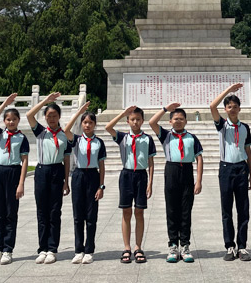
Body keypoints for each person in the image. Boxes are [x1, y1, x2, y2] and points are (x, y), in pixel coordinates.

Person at [148, 102, 203, 263]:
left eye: (181, 119)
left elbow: (199, 158)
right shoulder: (166, 135)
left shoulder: (192, 138)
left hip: (187, 172)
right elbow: (152, 122)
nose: (178, 121)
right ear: (170, 121)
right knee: (172, 210)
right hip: (171, 171)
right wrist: (166, 109)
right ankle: (173, 245)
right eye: (175, 119)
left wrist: (198, 181)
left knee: (186, 211)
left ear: (186, 121)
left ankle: (185, 245)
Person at [105, 105, 156, 264]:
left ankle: (138, 247)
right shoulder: (122, 137)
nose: (135, 122)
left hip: (141, 175)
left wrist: (150, 183)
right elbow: (108, 127)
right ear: (128, 121)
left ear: (142, 121)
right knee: (126, 212)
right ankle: (127, 247)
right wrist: (123, 113)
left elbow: (151, 162)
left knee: (139, 212)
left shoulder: (147, 139)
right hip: (126, 175)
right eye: (132, 119)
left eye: (138, 119)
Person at [209, 82, 251, 261]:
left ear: (239, 109)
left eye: (235, 107)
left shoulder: (245, 128)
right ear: (225, 109)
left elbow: (248, 151)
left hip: (241, 168)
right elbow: (212, 106)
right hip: (226, 169)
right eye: (229, 107)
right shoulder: (222, 125)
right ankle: (230, 246)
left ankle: (242, 246)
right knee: (226, 209)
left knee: (243, 209)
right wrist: (228, 90)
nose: (232, 109)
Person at [26, 92, 71, 264]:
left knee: (54, 211)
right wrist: (45, 101)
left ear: (59, 117)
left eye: (54, 115)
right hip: (42, 171)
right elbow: (29, 115)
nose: (52, 119)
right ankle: (42, 248)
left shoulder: (64, 135)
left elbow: (67, 159)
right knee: (42, 211)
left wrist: (66, 181)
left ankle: (52, 248)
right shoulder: (41, 132)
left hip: (57, 171)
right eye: (49, 116)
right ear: (45, 117)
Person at [0, 93, 29, 266]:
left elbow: (24, 161)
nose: (11, 122)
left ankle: (8, 249)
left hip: (13, 172)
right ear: (4, 121)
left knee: (11, 213)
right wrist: (5, 103)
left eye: (14, 119)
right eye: (8, 119)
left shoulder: (22, 138)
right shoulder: (0, 134)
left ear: (18, 120)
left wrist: (21, 183)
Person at [64, 101, 106, 265]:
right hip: (78, 176)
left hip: (93, 176)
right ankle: (78, 250)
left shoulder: (99, 142)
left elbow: (102, 166)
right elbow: (66, 130)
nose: (87, 125)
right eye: (85, 122)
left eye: (90, 122)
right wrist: (79, 112)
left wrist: (101, 186)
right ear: (81, 124)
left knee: (91, 216)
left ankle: (89, 250)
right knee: (78, 216)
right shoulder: (76, 140)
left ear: (95, 125)